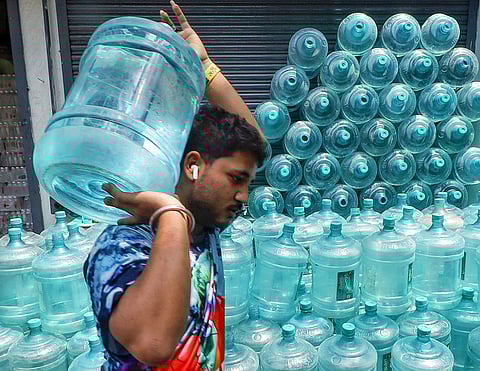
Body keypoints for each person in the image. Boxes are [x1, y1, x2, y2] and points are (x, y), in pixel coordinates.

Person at [83, 1, 265, 370]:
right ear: (194, 166)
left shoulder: (204, 227)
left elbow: (253, 145)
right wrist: (170, 213)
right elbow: (153, 343)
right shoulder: (122, 245)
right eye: (236, 181)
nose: (244, 197)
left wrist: (205, 69)